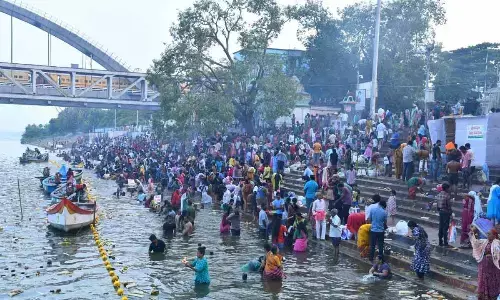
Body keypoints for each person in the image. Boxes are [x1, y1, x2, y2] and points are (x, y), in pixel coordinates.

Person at [470, 227, 500, 300]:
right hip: (483, 266)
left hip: (493, 267)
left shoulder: (497, 242)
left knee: (492, 281)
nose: (488, 235)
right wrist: (473, 234)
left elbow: (497, 252)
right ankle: (483, 296)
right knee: (483, 280)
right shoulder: (484, 241)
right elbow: (476, 243)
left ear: (494, 235)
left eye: (489, 234)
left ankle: (493, 296)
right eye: (487, 234)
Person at [436, 182, 453, 247]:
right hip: (446, 212)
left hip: (441, 212)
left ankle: (440, 242)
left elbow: (437, 205)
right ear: (446, 188)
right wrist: (451, 212)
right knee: (445, 228)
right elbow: (448, 206)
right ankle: (445, 243)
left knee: (441, 226)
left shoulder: (439, 194)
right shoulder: (447, 195)